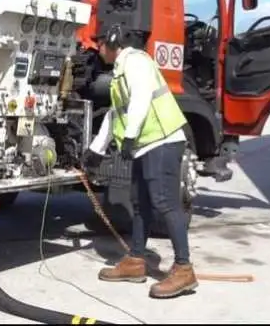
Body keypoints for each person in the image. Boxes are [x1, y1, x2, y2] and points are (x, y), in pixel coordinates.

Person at [82, 23, 197, 299]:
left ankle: (184, 269)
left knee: (165, 203)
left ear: (113, 42)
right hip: (146, 145)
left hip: (163, 140)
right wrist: (96, 150)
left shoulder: (135, 61)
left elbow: (142, 97)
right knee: (140, 204)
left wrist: (130, 135)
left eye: (100, 43)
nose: (98, 49)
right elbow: (115, 114)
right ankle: (135, 261)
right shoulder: (120, 71)